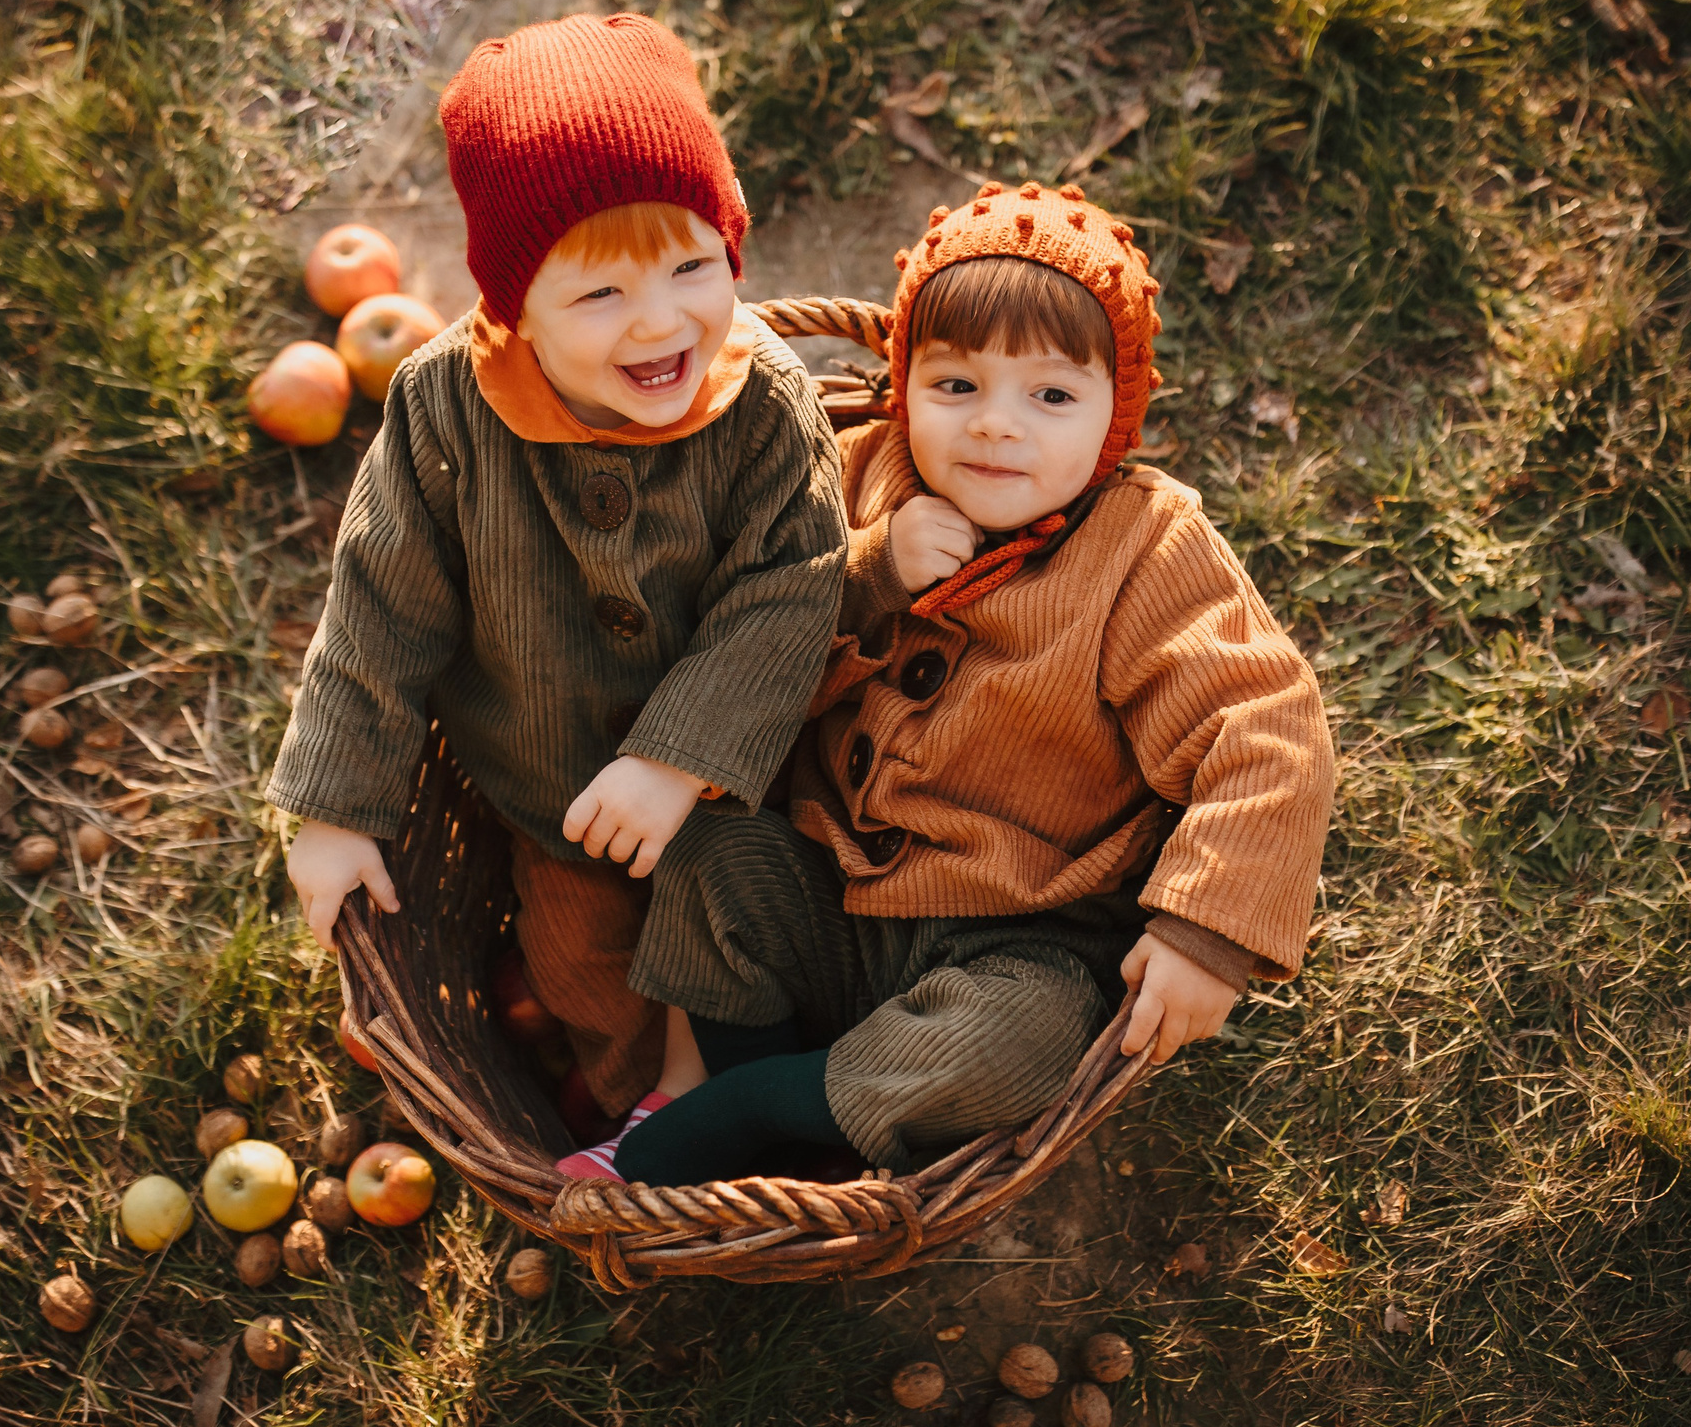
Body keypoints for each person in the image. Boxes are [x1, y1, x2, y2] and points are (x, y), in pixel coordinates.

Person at [558, 181, 1336, 1186]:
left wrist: (1205, 931)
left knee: (1029, 1042)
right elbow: (744, 630)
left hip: (1017, 940)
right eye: (956, 385)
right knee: (710, 850)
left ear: (1117, 415)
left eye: (1051, 397)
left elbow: (1264, 727)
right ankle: (777, 1124)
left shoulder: (1145, 549)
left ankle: (756, 1108)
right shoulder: (855, 474)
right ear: (901, 381)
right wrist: (869, 571)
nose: (995, 427)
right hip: (830, 890)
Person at [268, 14, 846, 1126]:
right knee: (584, 974)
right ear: (512, 306)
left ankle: (773, 1107)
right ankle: (650, 1142)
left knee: (763, 934)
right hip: (551, 798)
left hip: (741, 788)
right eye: (599, 295)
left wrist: (677, 759)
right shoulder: (446, 411)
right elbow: (379, 604)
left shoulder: (765, 403)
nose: (661, 322)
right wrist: (336, 806)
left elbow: (790, 586)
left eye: (692, 266)